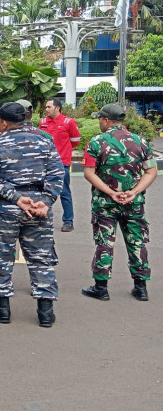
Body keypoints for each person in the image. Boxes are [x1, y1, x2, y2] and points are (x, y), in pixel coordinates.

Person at [0, 102, 64, 327]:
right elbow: (57, 174)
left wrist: (16, 197)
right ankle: (45, 313)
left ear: (4, 122)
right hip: (38, 209)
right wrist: (45, 202)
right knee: (41, 259)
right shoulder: (45, 141)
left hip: (5, 210)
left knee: (1, 256)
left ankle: (3, 310)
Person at [81, 103, 157, 302]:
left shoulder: (97, 141)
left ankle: (101, 288)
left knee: (104, 242)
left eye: (100, 119)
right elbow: (151, 171)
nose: (99, 122)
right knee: (137, 241)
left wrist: (110, 192)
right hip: (133, 202)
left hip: (105, 203)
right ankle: (141, 288)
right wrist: (134, 192)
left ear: (106, 120)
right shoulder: (141, 141)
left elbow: (88, 172)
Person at [40, 98, 81, 232]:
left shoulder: (69, 122)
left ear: (57, 108)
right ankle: (41, 218)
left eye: (49, 107)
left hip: (61, 163)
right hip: (45, 163)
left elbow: (75, 141)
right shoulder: (43, 122)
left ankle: (68, 221)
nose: (46, 109)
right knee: (42, 192)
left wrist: (63, 150)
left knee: (64, 193)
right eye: (46, 107)